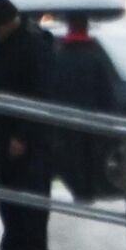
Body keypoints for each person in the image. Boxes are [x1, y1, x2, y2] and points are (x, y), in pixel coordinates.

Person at [0, 0, 56, 250]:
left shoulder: (33, 45)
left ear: (5, 24)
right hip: (7, 134)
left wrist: (24, 135)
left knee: (31, 200)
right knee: (9, 198)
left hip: (31, 140)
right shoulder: (2, 44)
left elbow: (41, 94)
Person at [52, 12, 117, 202]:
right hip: (93, 118)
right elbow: (106, 91)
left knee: (70, 158)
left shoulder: (60, 56)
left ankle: (80, 191)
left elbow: (54, 88)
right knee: (91, 157)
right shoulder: (95, 55)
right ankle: (87, 192)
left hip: (67, 119)